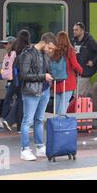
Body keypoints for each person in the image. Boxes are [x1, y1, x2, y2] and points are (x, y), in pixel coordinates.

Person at [19, 32, 56, 161]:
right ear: (44, 42)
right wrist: (43, 77)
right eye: (50, 47)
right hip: (31, 92)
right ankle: (24, 149)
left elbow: (48, 70)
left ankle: (40, 147)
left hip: (44, 91)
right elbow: (23, 75)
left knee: (39, 120)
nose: (50, 51)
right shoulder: (27, 54)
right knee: (27, 121)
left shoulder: (44, 54)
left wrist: (50, 76)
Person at [0, 30, 31, 132]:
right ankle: (13, 123)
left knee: (13, 100)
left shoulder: (13, 53)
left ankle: (7, 120)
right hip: (18, 80)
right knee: (19, 101)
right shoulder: (19, 51)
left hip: (15, 80)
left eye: (6, 44)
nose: (4, 46)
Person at [52, 31, 83, 114]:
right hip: (68, 81)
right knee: (64, 103)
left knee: (57, 104)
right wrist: (81, 70)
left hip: (56, 81)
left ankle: (55, 122)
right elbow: (75, 64)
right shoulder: (70, 50)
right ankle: (61, 123)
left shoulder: (54, 51)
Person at [72, 22, 97, 96]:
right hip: (77, 71)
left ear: (82, 30)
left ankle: (78, 107)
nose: (74, 31)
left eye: (76, 30)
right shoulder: (74, 41)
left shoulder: (90, 41)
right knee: (86, 94)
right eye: (73, 30)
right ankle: (89, 106)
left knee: (77, 94)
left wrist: (93, 62)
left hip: (85, 71)